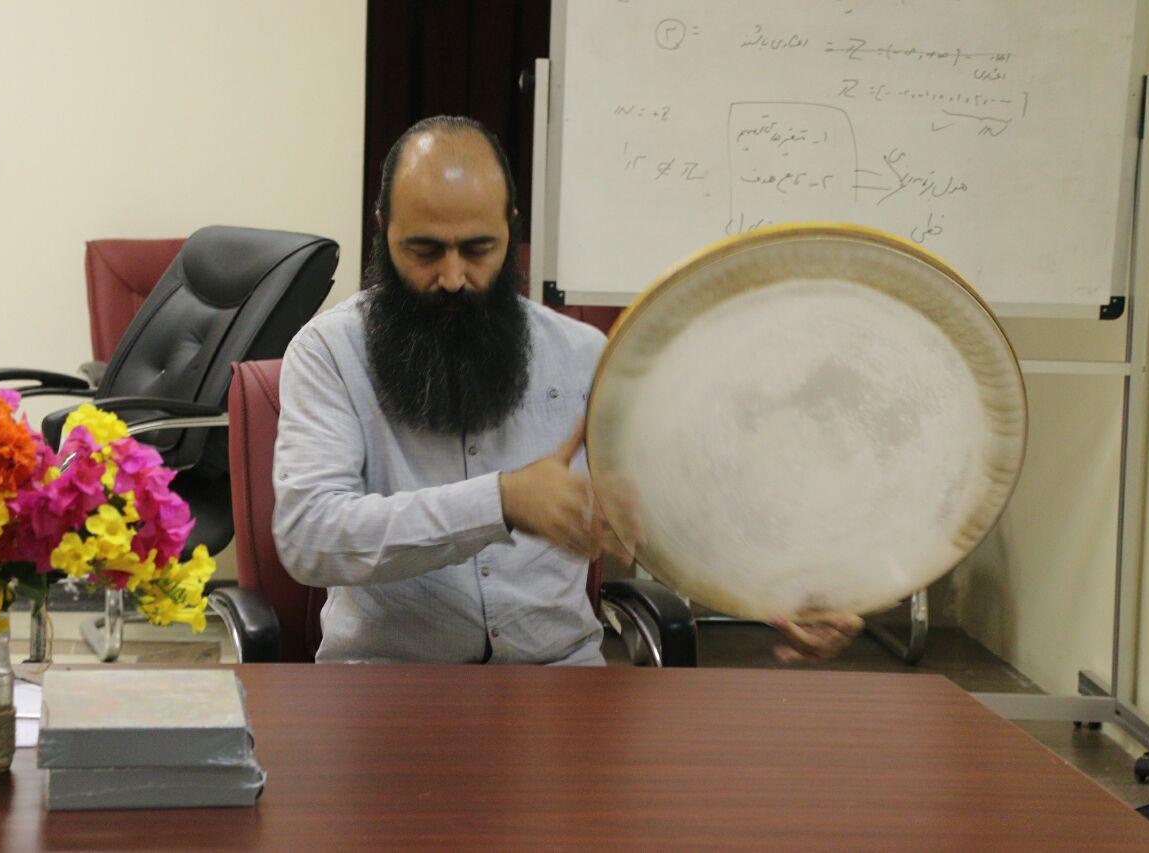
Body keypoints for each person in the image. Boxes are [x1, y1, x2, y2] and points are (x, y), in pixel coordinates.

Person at [272, 115, 862, 665]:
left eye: (478, 249)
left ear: (511, 228)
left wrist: (784, 591)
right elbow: (309, 536)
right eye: (424, 251)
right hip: (390, 681)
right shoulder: (329, 353)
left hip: (558, 678)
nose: (453, 278)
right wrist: (501, 501)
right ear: (383, 228)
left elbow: (672, 512)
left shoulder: (582, 356)